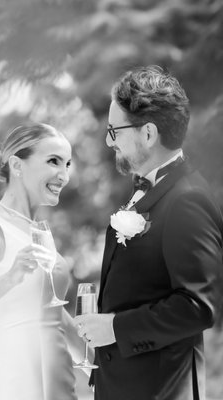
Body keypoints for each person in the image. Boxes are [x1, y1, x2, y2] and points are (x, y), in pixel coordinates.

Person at [74, 65, 223, 400]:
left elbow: (198, 306)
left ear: (148, 134)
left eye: (115, 131)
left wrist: (114, 327)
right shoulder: (147, 191)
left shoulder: (188, 200)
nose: (108, 141)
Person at [0, 123, 83, 400]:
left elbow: (55, 317)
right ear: (17, 165)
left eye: (67, 164)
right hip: (13, 381)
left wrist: (103, 367)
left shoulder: (41, 232)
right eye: (53, 161)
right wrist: (11, 277)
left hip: (56, 382)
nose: (64, 175)